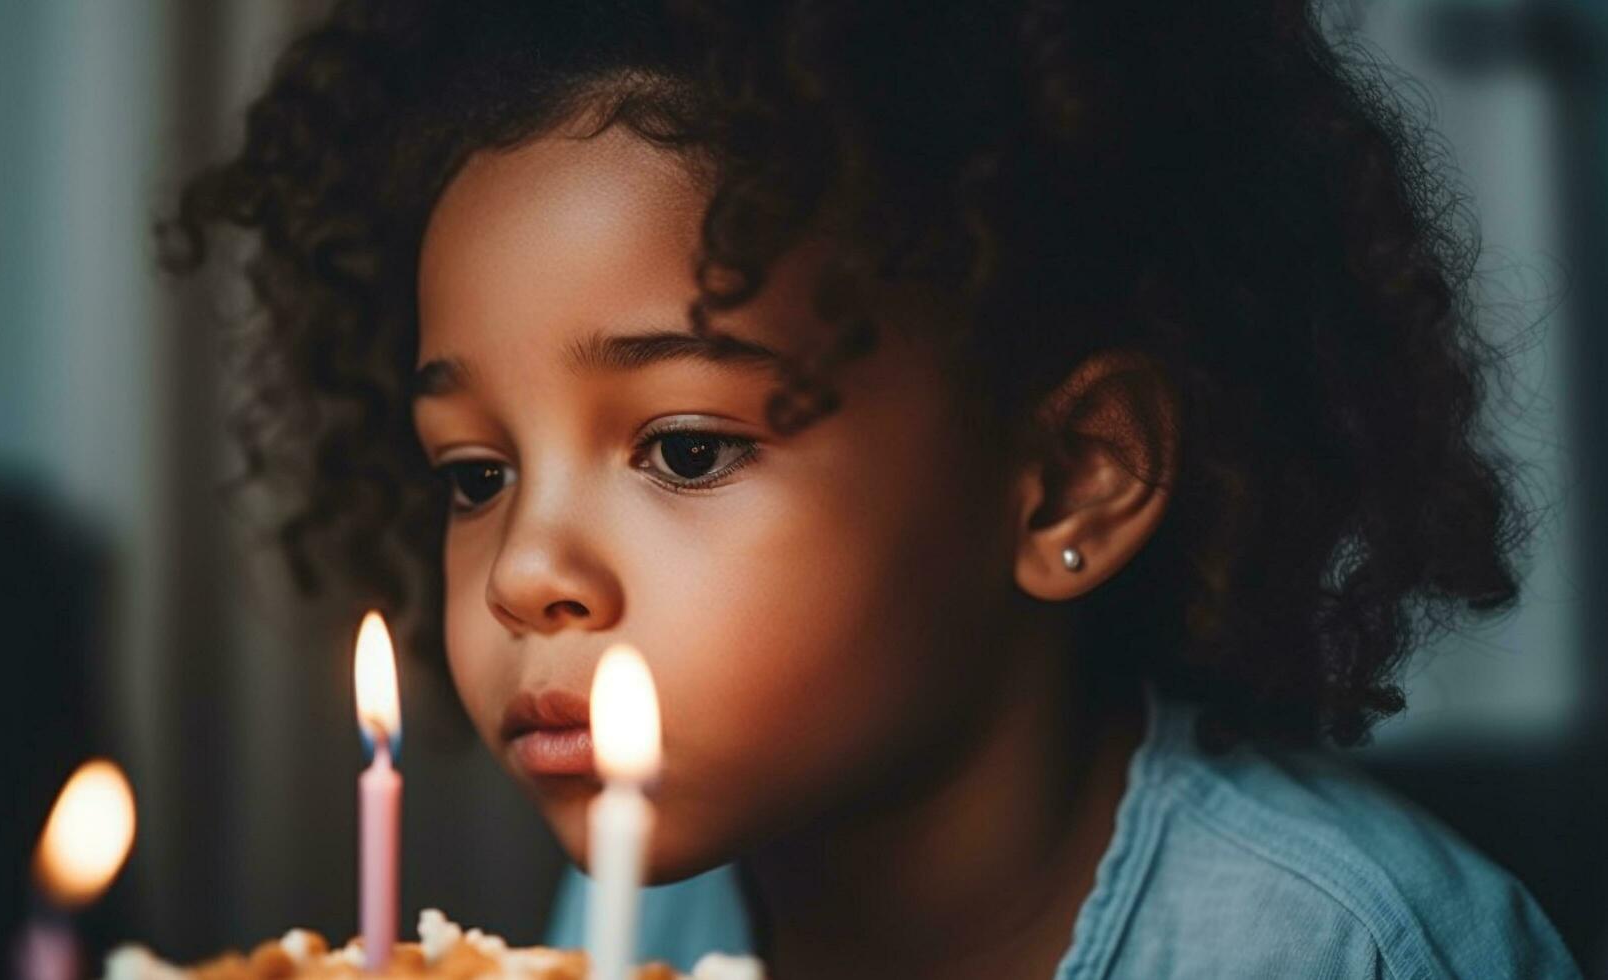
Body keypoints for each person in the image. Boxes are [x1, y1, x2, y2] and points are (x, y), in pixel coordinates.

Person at [161, 1, 1582, 976]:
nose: (527, 573)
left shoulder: (1346, 947)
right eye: (476, 472)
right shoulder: (633, 905)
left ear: (1065, 482)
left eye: (687, 447)